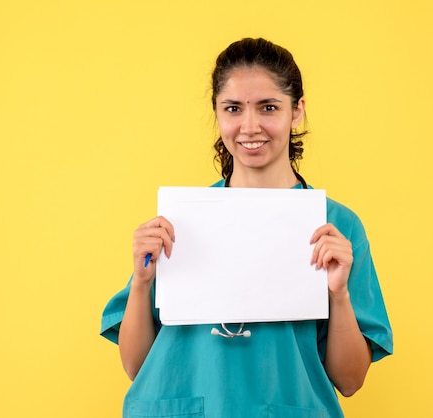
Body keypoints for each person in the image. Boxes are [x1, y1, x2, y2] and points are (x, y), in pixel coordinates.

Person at [100, 37, 393, 418]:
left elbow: (351, 380)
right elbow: (135, 368)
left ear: (297, 110)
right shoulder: (180, 220)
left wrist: (338, 296)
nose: (250, 126)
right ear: (217, 112)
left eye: (268, 107)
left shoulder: (336, 228)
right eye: (233, 108)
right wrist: (142, 284)